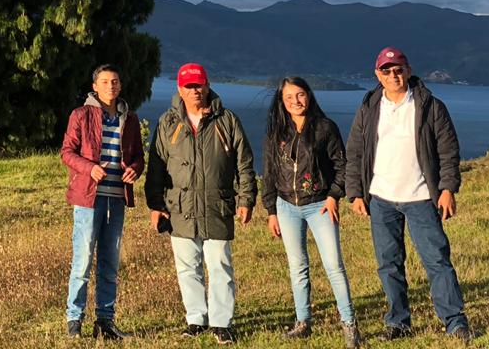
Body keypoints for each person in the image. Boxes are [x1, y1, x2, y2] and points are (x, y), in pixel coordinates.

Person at [346, 47, 471, 343]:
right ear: (378, 75)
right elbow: (355, 151)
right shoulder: (369, 106)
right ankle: (398, 323)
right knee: (388, 264)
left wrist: (447, 189)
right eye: (387, 71)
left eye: (398, 69)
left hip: (420, 197)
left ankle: (454, 322)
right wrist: (355, 193)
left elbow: (448, 151)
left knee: (437, 261)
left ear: (409, 70)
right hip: (380, 198)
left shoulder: (430, 106)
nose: (394, 75)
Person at [145, 63, 256, 345]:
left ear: (207, 85)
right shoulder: (168, 123)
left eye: (199, 85)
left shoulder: (227, 120)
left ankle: (221, 323)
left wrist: (246, 199)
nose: (195, 90)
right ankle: (196, 319)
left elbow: (244, 163)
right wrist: (155, 204)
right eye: (189, 86)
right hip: (179, 207)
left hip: (216, 204)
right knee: (187, 266)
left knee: (219, 265)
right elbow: (156, 166)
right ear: (179, 89)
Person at [263, 76, 361, 347]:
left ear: (309, 95)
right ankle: (303, 321)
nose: (295, 101)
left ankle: (349, 324)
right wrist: (271, 210)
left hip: (320, 205)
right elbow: (269, 174)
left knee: (334, 267)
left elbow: (342, 165)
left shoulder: (325, 128)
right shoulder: (276, 133)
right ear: (281, 102)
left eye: (300, 95)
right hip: (286, 206)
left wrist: (333, 196)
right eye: (289, 97)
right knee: (297, 267)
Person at [61, 63, 146, 339]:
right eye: (106, 82)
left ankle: (105, 322)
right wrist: (90, 168)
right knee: (83, 260)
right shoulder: (81, 115)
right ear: (95, 86)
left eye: (116, 81)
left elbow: (138, 157)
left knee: (110, 263)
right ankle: (74, 321)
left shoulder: (129, 119)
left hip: (116, 200)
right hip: (88, 199)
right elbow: (67, 152)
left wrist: (134, 168)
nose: (112, 86)